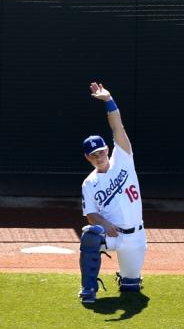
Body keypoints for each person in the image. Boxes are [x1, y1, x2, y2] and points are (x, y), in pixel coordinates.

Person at [79, 82, 146, 304]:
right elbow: (91, 215)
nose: (98, 157)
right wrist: (104, 224)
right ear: (87, 158)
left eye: (100, 152)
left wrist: (108, 101)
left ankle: (127, 278)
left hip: (135, 236)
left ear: (107, 149)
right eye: (93, 155)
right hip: (113, 235)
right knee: (89, 236)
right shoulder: (89, 183)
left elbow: (118, 128)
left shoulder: (123, 158)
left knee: (131, 288)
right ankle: (88, 290)